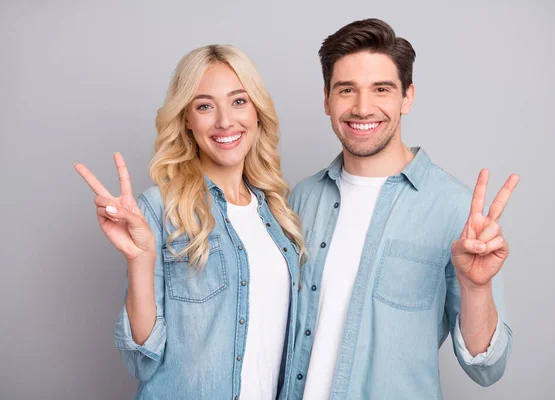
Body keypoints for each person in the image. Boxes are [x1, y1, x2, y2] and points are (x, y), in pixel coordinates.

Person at [288, 19, 519, 399]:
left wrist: (477, 288)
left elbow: (487, 367)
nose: (363, 108)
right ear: (327, 99)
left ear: (407, 97)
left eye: (382, 89)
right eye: (347, 90)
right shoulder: (301, 199)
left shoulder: (454, 208)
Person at [74, 44, 305, 400]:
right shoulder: (158, 208)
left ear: (258, 112)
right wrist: (140, 261)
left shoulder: (277, 214)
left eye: (239, 101)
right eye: (205, 106)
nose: (225, 120)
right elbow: (141, 360)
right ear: (186, 119)